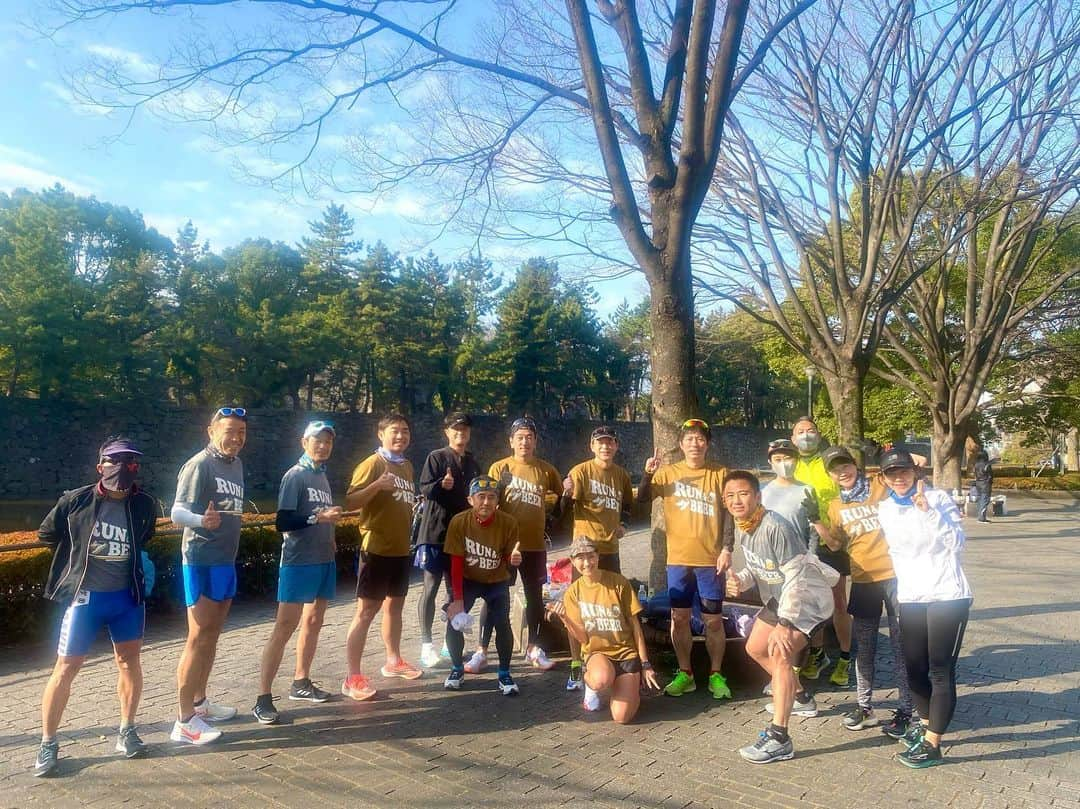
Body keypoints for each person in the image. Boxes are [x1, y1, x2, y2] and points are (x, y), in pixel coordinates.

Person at [33, 437, 157, 776]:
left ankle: (127, 729)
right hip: (84, 599)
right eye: (115, 461)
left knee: (129, 662)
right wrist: (72, 565)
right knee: (66, 667)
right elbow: (47, 534)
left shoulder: (146, 503)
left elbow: (146, 537)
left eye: (131, 461)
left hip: (126, 598)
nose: (124, 467)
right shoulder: (76, 500)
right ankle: (48, 742)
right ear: (100, 466)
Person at [723, 471, 838, 764]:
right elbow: (762, 568)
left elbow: (796, 577)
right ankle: (800, 698)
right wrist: (742, 581)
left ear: (757, 497)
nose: (737, 500)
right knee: (754, 648)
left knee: (780, 653)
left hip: (807, 600)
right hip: (780, 597)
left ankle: (779, 738)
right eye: (730, 496)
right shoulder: (743, 526)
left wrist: (785, 625)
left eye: (744, 493)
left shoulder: (774, 525)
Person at [876, 448, 973, 769]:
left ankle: (934, 743)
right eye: (892, 474)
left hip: (948, 594)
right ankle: (926, 723)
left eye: (904, 471)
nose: (899, 478)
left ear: (915, 473)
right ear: (884, 479)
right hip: (911, 596)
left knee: (940, 668)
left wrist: (928, 511)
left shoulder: (939, 499)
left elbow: (957, 544)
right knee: (913, 667)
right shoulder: (885, 508)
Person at [252, 421, 344, 724]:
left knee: (314, 621)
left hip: (323, 560)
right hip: (297, 561)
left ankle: (301, 682)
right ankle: (262, 698)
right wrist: (319, 519)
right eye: (318, 440)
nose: (323, 446)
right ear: (304, 442)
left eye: (328, 442)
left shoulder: (322, 475)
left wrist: (329, 535)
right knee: (284, 626)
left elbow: (323, 517)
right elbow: (283, 522)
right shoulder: (295, 475)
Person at [635, 418, 734, 700]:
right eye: (689, 439)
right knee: (678, 618)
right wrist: (646, 474)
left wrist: (727, 548)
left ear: (708, 444)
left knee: (713, 620)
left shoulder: (720, 474)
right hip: (678, 560)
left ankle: (716, 674)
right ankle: (685, 673)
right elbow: (642, 499)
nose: (695, 443)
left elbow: (729, 515)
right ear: (681, 444)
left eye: (700, 439)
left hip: (710, 560)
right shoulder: (668, 473)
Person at [819, 446, 914, 737]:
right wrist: (815, 522)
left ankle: (907, 710)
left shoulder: (879, 485)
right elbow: (835, 544)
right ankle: (865, 707)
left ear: (856, 465)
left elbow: (908, 473)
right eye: (835, 468)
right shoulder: (836, 506)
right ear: (830, 475)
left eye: (846, 464)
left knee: (901, 646)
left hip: (897, 575)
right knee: (865, 648)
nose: (842, 471)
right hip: (863, 579)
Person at [170, 406, 249, 745]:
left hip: (224, 561)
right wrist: (203, 522)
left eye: (241, 433)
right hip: (200, 560)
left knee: (213, 634)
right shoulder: (199, 464)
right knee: (197, 637)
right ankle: (184, 720)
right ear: (211, 430)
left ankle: (200, 703)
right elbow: (176, 512)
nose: (235, 438)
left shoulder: (236, 465)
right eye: (229, 431)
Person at [466, 417, 561, 673]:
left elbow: (563, 497)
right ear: (511, 441)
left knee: (535, 598)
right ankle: (481, 651)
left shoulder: (546, 470)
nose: (524, 442)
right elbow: (486, 504)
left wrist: (550, 519)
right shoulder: (500, 467)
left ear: (535, 441)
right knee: (493, 595)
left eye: (529, 437)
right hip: (504, 547)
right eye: (519, 437)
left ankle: (534, 647)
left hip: (534, 546)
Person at [341, 413, 422, 700]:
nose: (400, 436)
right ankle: (352, 676)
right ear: (381, 434)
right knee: (365, 612)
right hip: (375, 549)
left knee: (394, 609)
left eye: (405, 431)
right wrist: (377, 485)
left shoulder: (407, 466)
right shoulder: (373, 463)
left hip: (400, 550)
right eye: (394, 431)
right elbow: (349, 500)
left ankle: (393, 660)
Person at [547, 538, 662, 722]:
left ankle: (632, 687)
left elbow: (635, 626)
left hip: (626, 654)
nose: (586, 563)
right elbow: (583, 639)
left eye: (591, 556)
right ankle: (591, 684)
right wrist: (564, 617)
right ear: (573, 561)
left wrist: (645, 663)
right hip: (598, 653)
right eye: (580, 558)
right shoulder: (573, 592)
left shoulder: (618, 583)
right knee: (601, 679)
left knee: (621, 717)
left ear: (598, 556)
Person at [560, 425, 635, 690]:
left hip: (610, 550)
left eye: (610, 442)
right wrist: (565, 493)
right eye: (600, 443)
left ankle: (612, 658)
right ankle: (576, 664)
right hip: (584, 552)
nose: (605, 447)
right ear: (592, 446)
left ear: (616, 446)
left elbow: (628, 503)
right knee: (578, 612)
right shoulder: (580, 471)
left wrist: (624, 523)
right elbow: (563, 509)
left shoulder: (621, 475)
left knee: (611, 608)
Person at [442, 475, 522, 695]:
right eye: (481, 497)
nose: (486, 502)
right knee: (453, 621)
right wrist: (457, 599)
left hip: (496, 580)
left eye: (491, 497)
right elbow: (455, 563)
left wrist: (512, 560)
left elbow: (507, 557)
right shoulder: (459, 521)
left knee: (502, 624)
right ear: (470, 499)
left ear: (498, 501)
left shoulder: (508, 522)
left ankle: (504, 673)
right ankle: (457, 668)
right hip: (467, 579)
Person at [415, 412, 483, 668]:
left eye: (465, 430)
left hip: (461, 536)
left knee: (455, 591)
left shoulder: (473, 463)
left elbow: (479, 494)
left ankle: (448, 643)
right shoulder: (437, 457)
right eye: (456, 430)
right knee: (430, 588)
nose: (461, 434)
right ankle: (425, 645)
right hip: (435, 533)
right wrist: (440, 485)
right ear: (447, 432)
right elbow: (423, 489)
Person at [791, 416, 852, 685]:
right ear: (793, 439)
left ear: (819, 435)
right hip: (802, 543)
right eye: (800, 431)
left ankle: (846, 658)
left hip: (832, 540)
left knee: (839, 602)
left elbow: (850, 486)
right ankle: (818, 654)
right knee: (812, 602)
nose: (806, 435)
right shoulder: (789, 463)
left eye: (811, 431)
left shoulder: (829, 460)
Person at [760, 438, 821, 549]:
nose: (783, 464)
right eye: (777, 460)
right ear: (770, 463)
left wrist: (811, 557)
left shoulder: (807, 490)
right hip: (769, 556)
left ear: (797, 460)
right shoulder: (762, 492)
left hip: (799, 556)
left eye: (788, 459)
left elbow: (813, 529)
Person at [973, 450, 993, 523]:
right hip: (985, 484)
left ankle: (981, 517)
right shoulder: (986, 464)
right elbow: (990, 475)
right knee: (985, 501)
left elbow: (975, 474)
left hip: (978, 483)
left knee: (980, 500)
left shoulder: (976, 464)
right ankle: (981, 518)